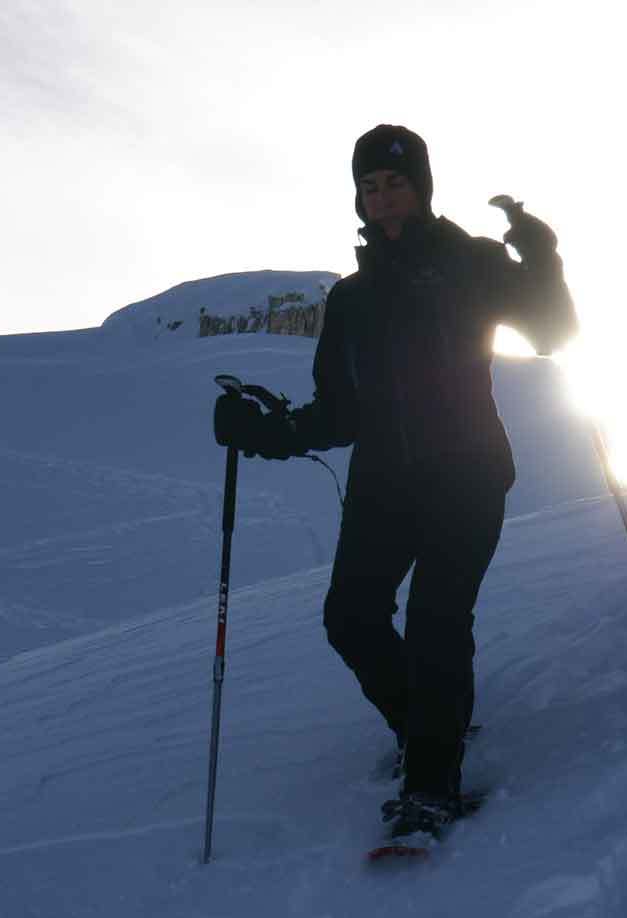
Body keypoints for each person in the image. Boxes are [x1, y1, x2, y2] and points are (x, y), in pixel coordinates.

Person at [214, 124, 577, 840]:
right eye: (370, 187)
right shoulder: (350, 298)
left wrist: (539, 251)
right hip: (383, 480)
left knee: (437, 622)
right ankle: (425, 726)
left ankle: (432, 786)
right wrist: (263, 430)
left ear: (422, 185)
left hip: (468, 472)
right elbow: (339, 415)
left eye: (395, 183)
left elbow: (551, 330)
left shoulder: (468, 261)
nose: (382, 199)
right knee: (350, 618)